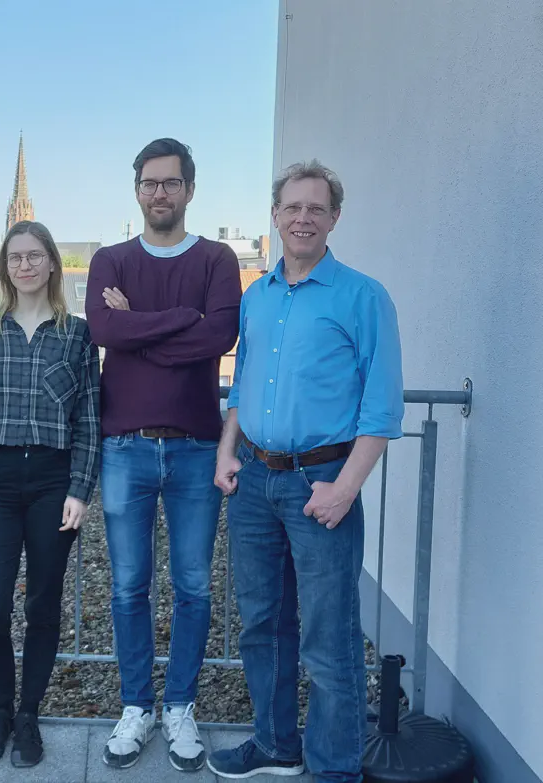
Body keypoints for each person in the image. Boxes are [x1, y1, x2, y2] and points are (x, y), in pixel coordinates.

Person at [207, 161, 404, 782]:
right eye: (293, 207)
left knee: (330, 638)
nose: (303, 218)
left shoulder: (363, 296)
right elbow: (242, 383)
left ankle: (334, 768)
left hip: (322, 485)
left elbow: (381, 407)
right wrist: (225, 450)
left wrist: (346, 488)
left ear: (334, 219)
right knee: (262, 625)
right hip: (254, 485)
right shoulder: (257, 295)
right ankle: (274, 745)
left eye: (316, 209)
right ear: (276, 213)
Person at [84, 138, 242, 772]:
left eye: (170, 183)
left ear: (190, 190)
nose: (159, 193)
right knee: (127, 586)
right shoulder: (110, 260)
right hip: (125, 448)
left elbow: (221, 333)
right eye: (149, 183)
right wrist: (183, 320)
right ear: (137, 190)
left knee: (195, 585)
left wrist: (144, 327)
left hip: (197, 449)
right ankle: (136, 706)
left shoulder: (217, 258)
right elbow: (104, 331)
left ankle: (179, 705)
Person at [0, 220, 101, 768]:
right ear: (4, 266)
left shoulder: (76, 333)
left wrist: (80, 489)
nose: (25, 265)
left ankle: (28, 717)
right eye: (15, 257)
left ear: (51, 264)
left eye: (34, 256)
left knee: (42, 603)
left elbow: (88, 416)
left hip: (51, 482)